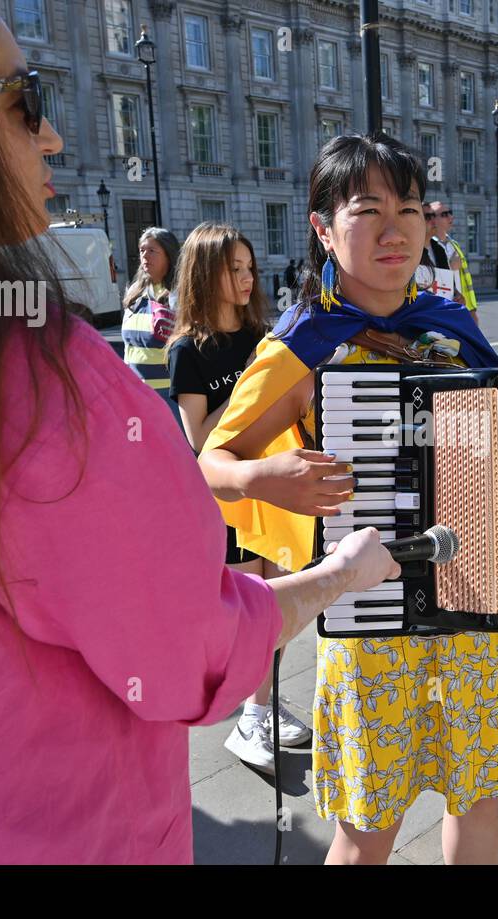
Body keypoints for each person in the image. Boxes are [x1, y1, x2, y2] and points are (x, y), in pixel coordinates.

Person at [0, 0, 398, 864]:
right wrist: (338, 575)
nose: (53, 141)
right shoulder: (32, 387)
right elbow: (192, 650)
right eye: (22, 102)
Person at [197, 133, 498, 865]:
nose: (397, 229)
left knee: (478, 794)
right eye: (369, 209)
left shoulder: (451, 328)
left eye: (411, 208)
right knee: (367, 820)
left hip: (473, 602)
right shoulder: (302, 346)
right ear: (323, 227)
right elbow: (205, 465)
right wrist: (263, 477)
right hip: (370, 614)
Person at [167, 225, 313, 772]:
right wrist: (252, 399)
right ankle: (250, 717)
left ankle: (262, 707)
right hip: (229, 496)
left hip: (271, 488)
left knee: (275, 601)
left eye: (250, 266)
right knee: (251, 606)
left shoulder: (262, 336)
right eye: (235, 268)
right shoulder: (188, 351)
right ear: (207, 274)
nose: (248, 277)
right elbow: (198, 440)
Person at [122, 226, 182, 398]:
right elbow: (129, 347)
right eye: (142, 250)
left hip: (169, 392)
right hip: (134, 391)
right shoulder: (135, 292)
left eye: (152, 251)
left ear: (169, 256)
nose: (145, 256)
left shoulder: (179, 293)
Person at [430, 200, 478, 322]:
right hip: (441, 311)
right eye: (445, 214)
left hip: (461, 307)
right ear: (432, 220)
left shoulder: (454, 244)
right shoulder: (427, 247)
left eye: (450, 213)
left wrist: (471, 310)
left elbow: (464, 282)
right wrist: (450, 267)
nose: (451, 217)